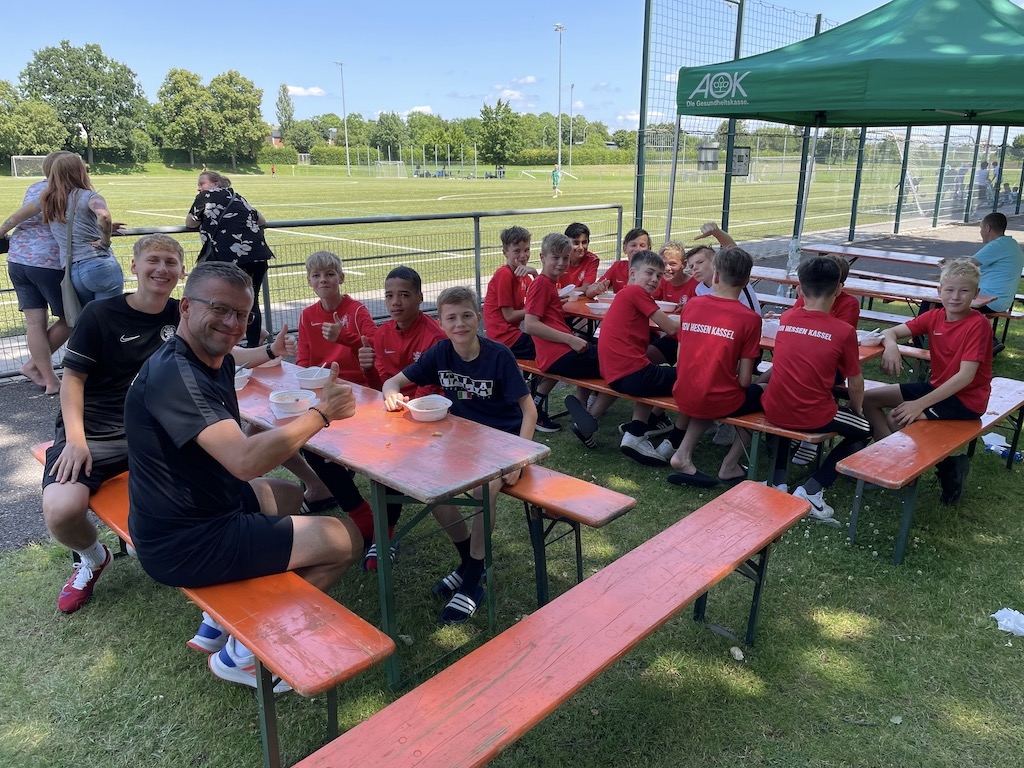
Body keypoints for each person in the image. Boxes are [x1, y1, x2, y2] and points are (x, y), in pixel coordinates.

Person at [126, 262, 362, 692]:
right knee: (346, 538)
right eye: (219, 309)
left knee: (288, 496)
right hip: (186, 540)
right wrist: (322, 413)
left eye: (242, 314)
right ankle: (246, 650)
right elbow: (244, 461)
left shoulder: (207, 355)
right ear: (185, 307)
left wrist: (270, 351)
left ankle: (218, 621)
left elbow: (241, 357)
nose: (232, 324)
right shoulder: (176, 376)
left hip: (200, 505)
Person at [40, 237, 293, 616]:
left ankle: (232, 549)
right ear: (133, 267)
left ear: (182, 271)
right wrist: (76, 440)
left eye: (171, 262)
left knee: (224, 476)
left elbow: (230, 351)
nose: (162, 269)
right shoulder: (101, 313)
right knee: (61, 510)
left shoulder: (187, 311)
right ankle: (93, 558)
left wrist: (270, 351)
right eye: (153, 260)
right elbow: (73, 379)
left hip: (157, 431)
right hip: (97, 434)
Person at [382, 286, 537, 624]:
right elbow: (392, 383)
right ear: (441, 323)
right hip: (462, 442)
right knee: (431, 485)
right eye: (451, 318)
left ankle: (471, 581)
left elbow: (530, 411)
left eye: (466, 315)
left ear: (478, 318)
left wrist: (521, 458)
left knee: (484, 490)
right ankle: (468, 561)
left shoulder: (498, 356)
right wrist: (391, 393)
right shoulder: (440, 352)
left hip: (504, 443)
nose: (460, 323)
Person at [863, 258, 993, 505]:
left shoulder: (978, 325)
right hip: (937, 388)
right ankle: (894, 462)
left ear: (975, 294)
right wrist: (891, 346)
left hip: (966, 399)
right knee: (868, 399)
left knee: (898, 418)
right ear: (939, 291)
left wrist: (919, 404)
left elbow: (965, 377)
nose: (956, 297)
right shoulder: (934, 316)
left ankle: (946, 468)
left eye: (964, 291)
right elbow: (890, 332)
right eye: (950, 290)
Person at [760, 257, 872, 524]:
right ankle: (812, 489)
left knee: (787, 411)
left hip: (773, 407)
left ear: (799, 289)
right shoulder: (843, 330)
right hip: (813, 414)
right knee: (865, 430)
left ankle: (778, 481)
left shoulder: (787, 318)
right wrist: (856, 409)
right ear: (838, 289)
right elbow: (856, 382)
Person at [663, 246, 763, 486]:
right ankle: (730, 464)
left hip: (683, 390)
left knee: (710, 390)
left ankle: (682, 454)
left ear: (715, 275)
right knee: (766, 393)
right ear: (746, 281)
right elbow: (744, 381)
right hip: (714, 397)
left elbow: (681, 355)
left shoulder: (692, 305)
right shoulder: (750, 319)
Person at [524, 233, 617, 448]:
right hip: (559, 356)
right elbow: (531, 325)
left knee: (601, 353)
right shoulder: (541, 284)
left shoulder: (549, 284)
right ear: (542, 257)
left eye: (565, 258)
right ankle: (588, 421)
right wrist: (570, 339)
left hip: (559, 354)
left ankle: (582, 407)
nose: (561, 263)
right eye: (555, 257)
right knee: (622, 367)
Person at [1, 153, 124, 308]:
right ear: (80, 172)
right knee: (110, 315)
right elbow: (104, 216)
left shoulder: (47, 199)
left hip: (74, 271)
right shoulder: (90, 196)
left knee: (89, 316)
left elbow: (15, 218)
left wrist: (2, 231)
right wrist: (105, 242)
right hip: (100, 264)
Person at [0, 150, 75, 394]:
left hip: (17, 260)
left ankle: (49, 379)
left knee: (34, 322)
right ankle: (35, 368)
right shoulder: (64, 192)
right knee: (72, 318)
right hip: (47, 262)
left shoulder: (34, 187)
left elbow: (17, 218)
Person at [597, 249, 680, 465]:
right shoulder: (636, 292)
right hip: (630, 373)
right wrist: (699, 317)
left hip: (617, 373)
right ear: (633, 273)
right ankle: (676, 442)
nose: (654, 279)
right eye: (649, 273)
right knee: (691, 379)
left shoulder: (625, 294)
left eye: (659, 276)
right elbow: (671, 328)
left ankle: (636, 433)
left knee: (653, 372)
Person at [482, 226, 561, 432]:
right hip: (504, 338)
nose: (523, 255)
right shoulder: (504, 275)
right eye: (517, 251)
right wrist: (533, 310)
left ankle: (532, 402)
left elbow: (541, 293)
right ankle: (535, 407)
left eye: (526, 250)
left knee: (559, 348)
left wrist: (534, 273)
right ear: (505, 252)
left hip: (513, 335)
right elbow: (509, 316)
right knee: (559, 354)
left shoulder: (524, 275)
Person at [185, 170, 274, 348]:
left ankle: (224, 346)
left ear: (215, 183)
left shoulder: (206, 196)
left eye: (202, 183)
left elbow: (190, 222)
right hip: (257, 256)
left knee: (223, 303)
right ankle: (254, 345)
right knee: (251, 302)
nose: (199, 188)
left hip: (230, 260)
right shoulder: (237, 196)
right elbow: (262, 220)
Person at [296, 251, 378, 386]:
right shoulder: (306, 315)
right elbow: (303, 359)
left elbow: (378, 344)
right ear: (309, 281)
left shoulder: (357, 310)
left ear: (341, 278)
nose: (323, 279)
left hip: (354, 384)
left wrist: (344, 337)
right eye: (316, 275)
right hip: (320, 383)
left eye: (329, 274)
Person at [971, 212, 1023, 355]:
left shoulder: (997, 245)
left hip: (990, 299)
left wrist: (947, 263)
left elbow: (968, 264)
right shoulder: (1011, 244)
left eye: (981, 228)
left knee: (940, 303)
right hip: (1003, 300)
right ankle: (991, 340)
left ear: (988, 227)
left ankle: (920, 342)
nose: (980, 232)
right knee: (952, 302)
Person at [649, 240, 699, 366]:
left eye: (673, 264)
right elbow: (650, 300)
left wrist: (690, 308)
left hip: (692, 340)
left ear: (684, 264)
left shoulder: (696, 285)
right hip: (672, 337)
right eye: (663, 264)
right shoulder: (662, 282)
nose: (667, 268)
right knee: (645, 356)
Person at [593, 228, 652, 294]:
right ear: (624, 249)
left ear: (649, 250)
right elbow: (590, 291)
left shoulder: (656, 272)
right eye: (633, 245)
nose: (637, 249)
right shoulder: (617, 267)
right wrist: (598, 288)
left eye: (642, 245)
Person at [561, 222, 602, 297]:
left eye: (584, 243)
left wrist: (561, 293)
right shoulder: (559, 259)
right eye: (576, 243)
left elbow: (586, 288)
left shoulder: (592, 260)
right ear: (566, 244)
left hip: (581, 300)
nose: (580, 247)